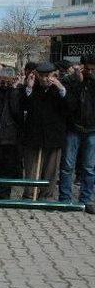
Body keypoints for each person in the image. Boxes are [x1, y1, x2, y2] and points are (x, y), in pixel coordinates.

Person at [21, 62, 67, 201]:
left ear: (54, 75)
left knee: (50, 169)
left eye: (48, 76)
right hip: (34, 135)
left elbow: (68, 109)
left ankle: (46, 196)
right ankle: (29, 195)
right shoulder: (32, 88)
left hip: (53, 136)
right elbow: (24, 106)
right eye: (41, 76)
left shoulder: (61, 89)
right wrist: (28, 88)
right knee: (31, 167)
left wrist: (61, 89)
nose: (45, 79)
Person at [58, 54, 95, 213]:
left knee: (89, 167)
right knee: (67, 166)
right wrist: (78, 81)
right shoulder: (72, 81)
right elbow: (69, 103)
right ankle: (65, 199)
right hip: (73, 128)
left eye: (93, 69)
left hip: (92, 129)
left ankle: (86, 200)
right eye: (87, 69)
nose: (90, 72)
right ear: (82, 67)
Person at [0, 67, 24, 199]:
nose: (5, 85)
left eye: (8, 82)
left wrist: (13, 90)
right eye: (2, 81)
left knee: (7, 169)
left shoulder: (17, 91)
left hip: (10, 137)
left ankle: (5, 195)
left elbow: (16, 111)